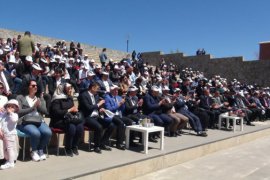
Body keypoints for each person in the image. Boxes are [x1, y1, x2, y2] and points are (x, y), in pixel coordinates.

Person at [16, 80, 52, 162]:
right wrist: (32, 108)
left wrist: (40, 104)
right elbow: (18, 111)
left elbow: (45, 111)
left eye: (36, 85)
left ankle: (40, 149)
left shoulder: (39, 97)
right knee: (36, 133)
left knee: (48, 132)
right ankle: (34, 151)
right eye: (33, 85)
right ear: (28, 87)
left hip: (38, 120)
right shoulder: (20, 97)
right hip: (25, 121)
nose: (35, 87)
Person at [78, 82, 114, 153]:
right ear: (92, 88)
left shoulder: (96, 95)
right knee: (99, 127)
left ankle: (102, 143)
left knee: (111, 125)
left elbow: (97, 106)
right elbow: (88, 108)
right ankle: (96, 146)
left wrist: (100, 109)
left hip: (96, 116)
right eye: (97, 88)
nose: (98, 90)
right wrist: (98, 105)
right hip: (87, 117)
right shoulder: (83, 95)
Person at [50, 83, 84, 156]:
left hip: (69, 119)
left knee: (80, 127)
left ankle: (74, 146)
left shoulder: (69, 98)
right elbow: (56, 112)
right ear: (63, 90)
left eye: (71, 88)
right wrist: (69, 110)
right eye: (68, 89)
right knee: (71, 127)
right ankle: (68, 148)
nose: (70, 90)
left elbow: (72, 109)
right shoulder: (56, 100)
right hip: (58, 121)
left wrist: (75, 110)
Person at [0, 99, 19, 170]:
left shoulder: (15, 115)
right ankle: (8, 160)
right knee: (5, 149)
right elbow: (1, 122)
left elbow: (14, 120)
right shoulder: (4, 115)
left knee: (10, 149)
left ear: (16, 108)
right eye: (8, 106)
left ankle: (11, 162)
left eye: (12, 107)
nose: (10, 108)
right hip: (4, 134)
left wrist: (11, 113)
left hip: (10, 134)